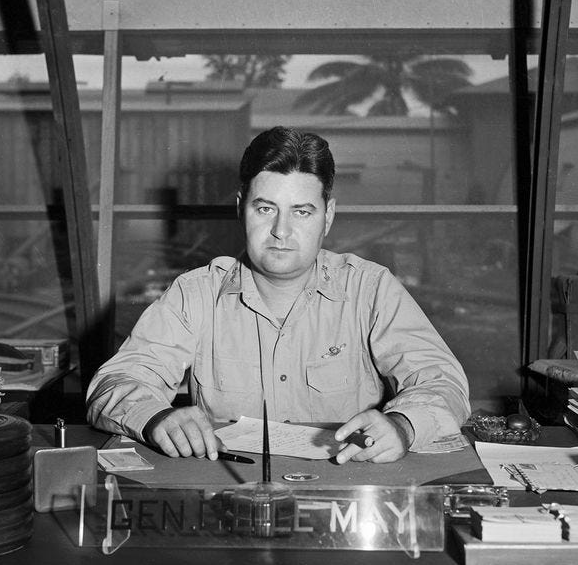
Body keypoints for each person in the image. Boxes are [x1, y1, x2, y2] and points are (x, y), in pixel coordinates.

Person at [86, 126, 470, 464]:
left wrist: (402, 425)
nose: (281, 231)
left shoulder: (371, 289)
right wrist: (157, 418)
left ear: (328, 216)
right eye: (266, 209)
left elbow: (442, 382)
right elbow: (117, 382)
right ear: (241, 209)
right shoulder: (195, 294)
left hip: (346, 488)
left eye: (302, 212)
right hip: (231, 491)